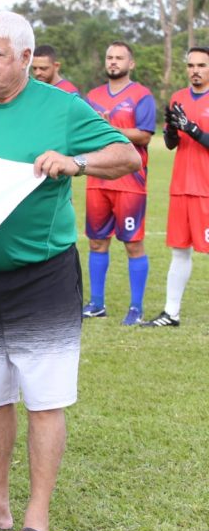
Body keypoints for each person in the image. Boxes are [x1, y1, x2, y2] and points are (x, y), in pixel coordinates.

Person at [0, 12, 139, 531]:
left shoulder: (61, 106)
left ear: (24, 57)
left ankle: (36, 517)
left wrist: (76, 161)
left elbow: (127, 155)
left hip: (41, 276)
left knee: (44, 399)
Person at [81, 41, 156, 325]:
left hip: (130, 182)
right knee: (97, 242)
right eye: (109, 57)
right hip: (98, 179)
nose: (113, 62)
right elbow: (86, 133)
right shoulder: (93, 96)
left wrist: (110, 128)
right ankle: (96, 304)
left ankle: (136, 309)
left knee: (133, 244)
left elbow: (144, 135)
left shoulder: (142, 96)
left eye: (119, 58)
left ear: (131, 64)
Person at [143, 47, 209, 327]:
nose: (195, 70)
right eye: (191, 65)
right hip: (181, 186)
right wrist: (171, 131)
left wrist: (192, 128)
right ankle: (171, 313)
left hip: (206, 189)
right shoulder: (178, 98)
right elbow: (172, 144)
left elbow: (197, 136)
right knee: (179, 251)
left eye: (202, 65)